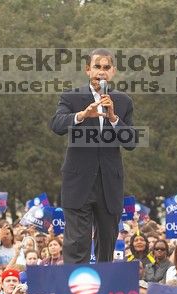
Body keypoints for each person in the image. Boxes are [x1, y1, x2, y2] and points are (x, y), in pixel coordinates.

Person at [50, 48, 136, 264]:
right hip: (78, 182)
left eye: (106, 68)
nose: (102, 72)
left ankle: (103, 293)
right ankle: (75, 293)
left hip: (109, 183)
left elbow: (132, 142)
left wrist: (114, 118)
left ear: (113, 72)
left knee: (107, 245)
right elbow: (57, 124)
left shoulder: (123, 101)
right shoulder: (71, 97)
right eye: (97, 67)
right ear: (88, 70)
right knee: (77, 243)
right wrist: (81, 115)